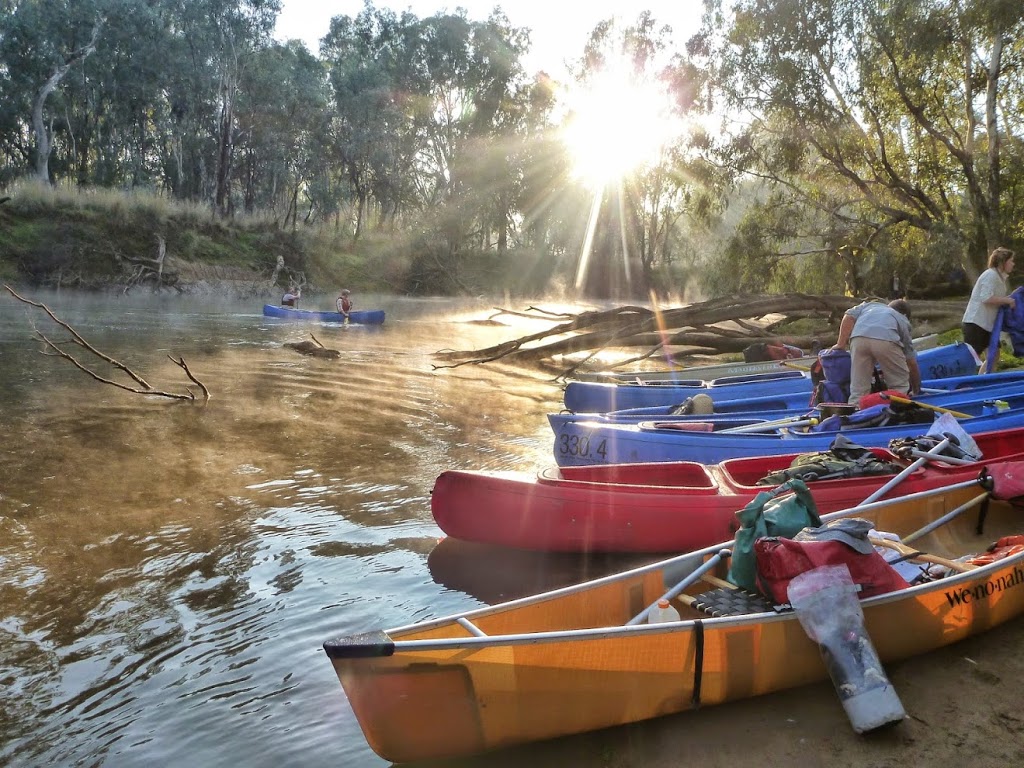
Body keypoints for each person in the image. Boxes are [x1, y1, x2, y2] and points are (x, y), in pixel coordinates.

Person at [832, 299, 921, 406]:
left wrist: (840, 344)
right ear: (905, 314)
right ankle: (897, 408)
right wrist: (916, 389)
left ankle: (854, 410)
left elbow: (849, 316)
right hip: (886, 340)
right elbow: (911, 362)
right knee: (899, 385)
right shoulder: (901, 318)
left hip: (858, 339)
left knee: (858, 388)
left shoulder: (870, 306)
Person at [961, 246, 1016, 358]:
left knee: (994, 354)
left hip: (988, 325)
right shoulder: (990, 275)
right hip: (976, 323)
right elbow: (986, 298)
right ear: (1003, 262)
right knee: (972, 357)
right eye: (1011, 261)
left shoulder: (1000, 278)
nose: (1013, 264)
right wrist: (1006, 300)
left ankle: (987, 375)